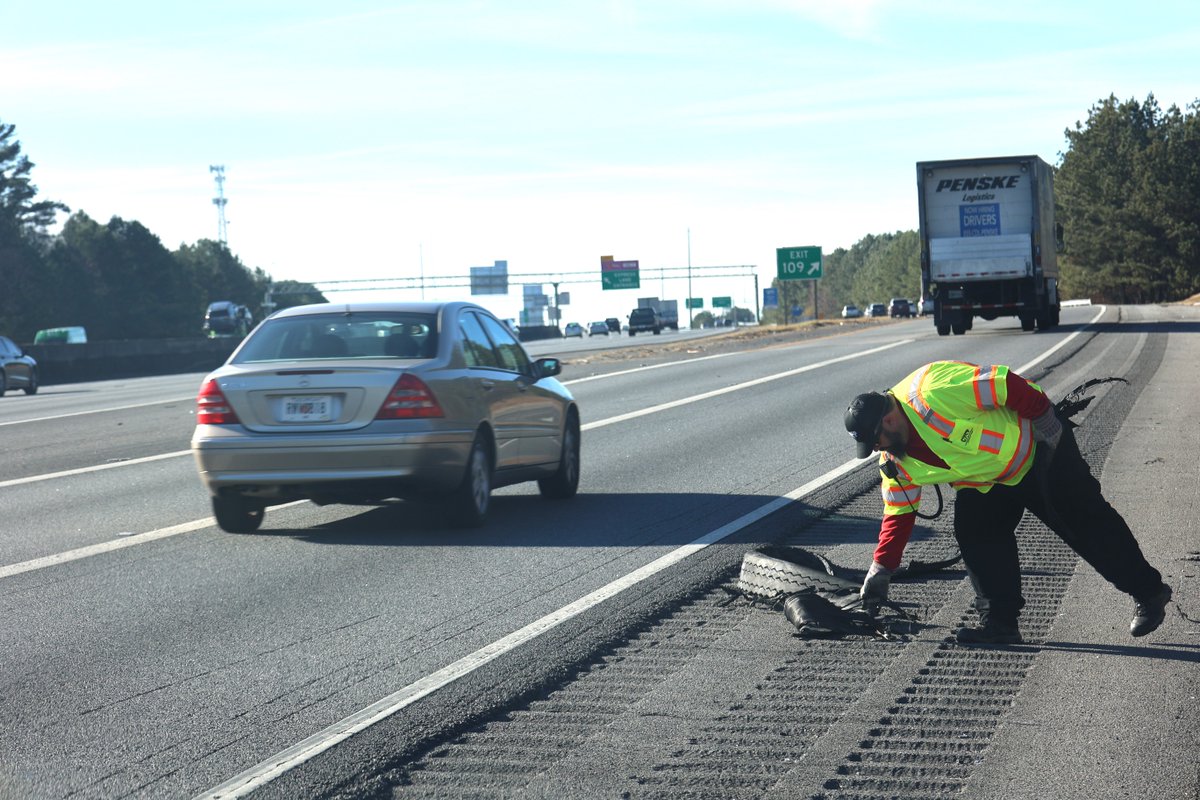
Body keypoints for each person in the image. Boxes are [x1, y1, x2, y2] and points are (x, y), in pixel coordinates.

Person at [843, 360, 1171, 644]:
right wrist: (882, 568)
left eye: (876, 442)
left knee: (1083, 521)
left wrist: (1049, 424)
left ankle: (1148, 592)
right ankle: (999, 624)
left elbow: (1005, 383)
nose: (878, 451)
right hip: (988, 479)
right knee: (975, 530)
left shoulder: (933, 391)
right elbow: (899, 513)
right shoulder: (893, 459)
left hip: (1038, 449)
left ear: (887, 421)